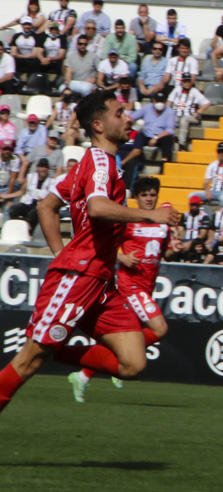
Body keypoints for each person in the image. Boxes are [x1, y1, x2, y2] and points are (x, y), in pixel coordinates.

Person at [0, 90, 180, 417]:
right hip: (79, 277)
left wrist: (60, 252)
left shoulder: (100, 164)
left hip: (99, 283)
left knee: (133, 363)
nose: (128, 118)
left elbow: (48, 206)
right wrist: (151, 215)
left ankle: (55, 350)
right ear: (98, 125)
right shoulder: (98, 160)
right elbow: (96, 208)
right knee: (26, 362)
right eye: (119, 113)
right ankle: (49, 349)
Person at [67, 176, 170, 400]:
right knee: (160, 328)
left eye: (153, 194)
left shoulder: (162, 221)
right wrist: (122, 257)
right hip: (129, 286)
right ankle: (119, 361)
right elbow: (103, 246)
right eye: (145, 195)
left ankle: (83, 376)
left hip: (147, 286)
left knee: (127, 340)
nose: (149, 199)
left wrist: (180, 245)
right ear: (136, 198)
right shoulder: (127, 221)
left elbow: (165, 252)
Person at [167, 74, 208, 151]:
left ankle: (182, 144)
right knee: (168, 119)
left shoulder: (195, 91)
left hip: (190, 116)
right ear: (182, 82)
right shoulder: (177, 90)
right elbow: (169, 102)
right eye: (185, 81)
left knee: (184, 119)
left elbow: (207, 104)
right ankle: (168, 144)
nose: (187, 83)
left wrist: (198, 112)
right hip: (176, 115)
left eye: (188, 81)